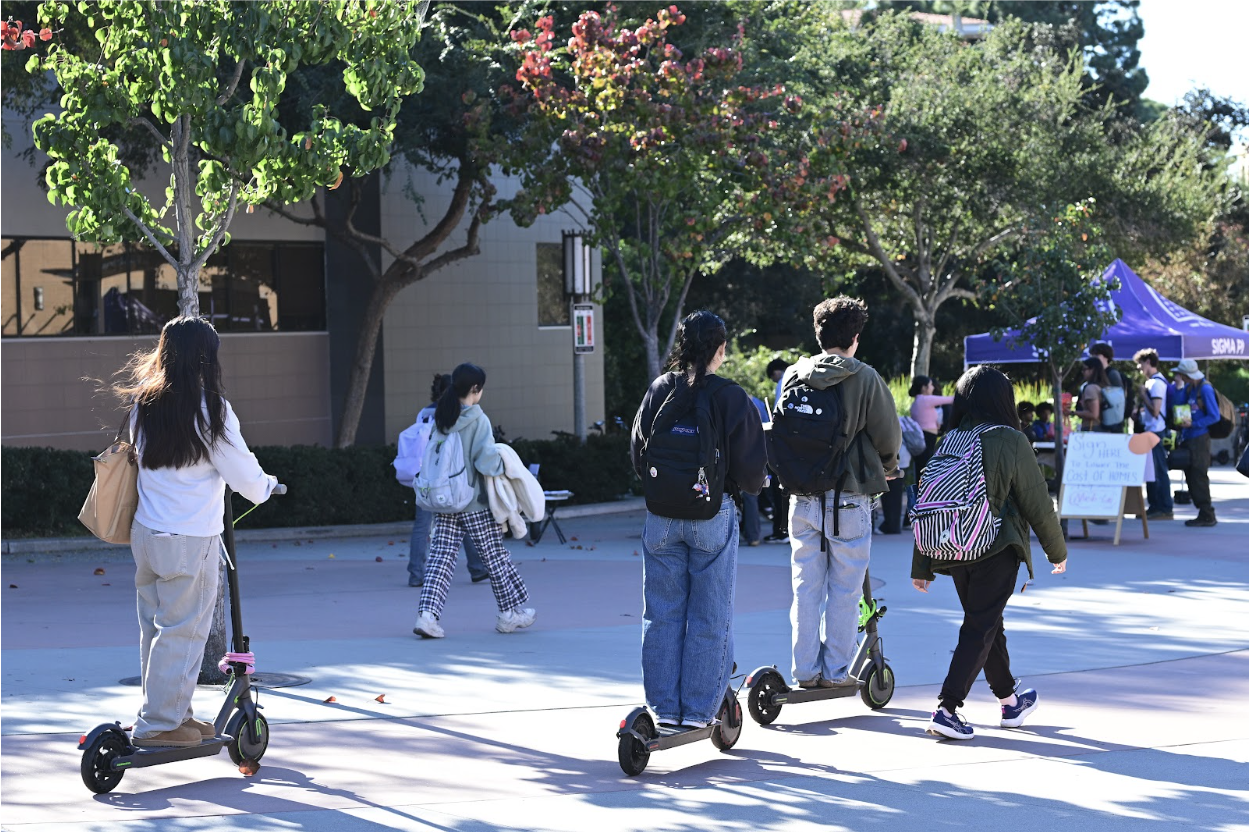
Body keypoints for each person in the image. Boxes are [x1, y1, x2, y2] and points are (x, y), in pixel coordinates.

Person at [113, 317, 280, 748]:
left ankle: (174, 714)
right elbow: (244, 475)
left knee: (156, 630)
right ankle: (159, 724)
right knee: (184, 632)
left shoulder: (143, 406)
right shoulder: (211, 411)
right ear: (206, 358)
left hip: (146, 536)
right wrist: (266, 488)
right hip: (189, 541)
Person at [912, 365, 1068, 740]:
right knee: (980, 625)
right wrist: (1056, 551)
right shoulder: (1009, 439)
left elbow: (927, 501)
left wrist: (922, 565)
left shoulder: (949, 439)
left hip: (952, 547)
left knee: (987, 623)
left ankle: (1011, 701)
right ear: (1003, 400)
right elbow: (1037, 502)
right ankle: (947, 708)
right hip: (994, 546)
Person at [630, 311, 767, 728]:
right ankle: (699, 711)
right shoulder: (730, 396)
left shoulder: (659, 389)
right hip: (711, 514)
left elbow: (639, 456)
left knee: (661, 614)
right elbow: (752, 473)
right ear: (720, 350)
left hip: (660, 518)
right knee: (710, 613)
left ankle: (664, 709)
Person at [781, 297, 900, 690]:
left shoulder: (794, 374)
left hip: (802, 497)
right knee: (845, 589)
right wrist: (888, 467)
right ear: (854, 337)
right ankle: (835, 673)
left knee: (805, 586)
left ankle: (803, 671)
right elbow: (888, 437)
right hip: (848, 497)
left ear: (818, 335)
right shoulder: (865, 377)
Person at [413, 363, 536, 638]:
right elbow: (485, 462)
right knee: (495, 557)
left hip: (445, 501)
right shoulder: (478, 419)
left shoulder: (443, 416)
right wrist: (504, 459)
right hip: (474, 502)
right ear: (475, 389)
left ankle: (427, 616)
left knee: (440, 560)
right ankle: (509, 614)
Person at [404, 374, 489, 587]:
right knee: (466, 518)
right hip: (452, 479)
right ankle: (477, 568)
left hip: (426, 477)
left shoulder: (425, 413)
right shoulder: (458, 414)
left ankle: (416, 574)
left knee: (422, 526)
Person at [1170, 359, 1219, 527]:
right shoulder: (1190, 388)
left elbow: (1214, 416)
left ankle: (1207, 513)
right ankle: (1203, 512)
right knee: (1191, 474)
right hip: (1189, 436)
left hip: (1199, 438)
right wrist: (1179, 387)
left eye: (1181, 374)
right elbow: (1178, 404)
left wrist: (1194, 424)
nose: (1179, 376)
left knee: (1198, 474)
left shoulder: (1205, 389)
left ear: (1187, 374)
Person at [1133, 349, 1173, 520]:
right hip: (1152, 430)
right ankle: (1156, 506)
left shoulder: (1156, 384)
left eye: (1141, 363)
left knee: (1158, 471)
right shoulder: (1153, 382)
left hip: (1156, 431)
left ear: (1148, 362)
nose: (1139, 367)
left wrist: (1143, 395)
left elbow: (1156, 411)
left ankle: (1163, 507)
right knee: (1152, 471)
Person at [764, 358, 792, 543]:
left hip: (782, 442)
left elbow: (777, 414)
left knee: (779, 487)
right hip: (798, 443)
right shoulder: (799, 377)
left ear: (776, 372)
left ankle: (782, 530)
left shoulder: (783, 381)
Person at [739, 393, 771, 546]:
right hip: (757, 454)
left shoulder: (733, 402)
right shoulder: (758, 403)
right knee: (751, 495)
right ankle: (753, 536)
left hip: (738, 454)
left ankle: (746, 533)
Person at [909, 375, 954, 479]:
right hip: (927, 438)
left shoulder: (916, 402)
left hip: (921, 437)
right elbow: (951, 399)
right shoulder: (926, 400)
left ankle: (919, 493)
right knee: (925, 469)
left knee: (921, 468)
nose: (933, 388)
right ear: (924, 388)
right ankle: (924, 493)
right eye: (930, 385)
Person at [1088, 343, 1127, 432]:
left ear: (1106, 356)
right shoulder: (1096, 375)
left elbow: (1118, 398)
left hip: (1112, 422)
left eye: (1097, 355)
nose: (1094, 358)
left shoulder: (1112, 373)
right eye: (1092, 355)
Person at [1073, 357, 1110, 432]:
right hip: (1104, 428)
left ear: (1092, 370)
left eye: (1084, 369)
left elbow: (1093, 414)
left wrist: (1072, 412)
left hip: (1092, 428)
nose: (1082, 372)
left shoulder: (1091, 389)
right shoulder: (1104, 386)